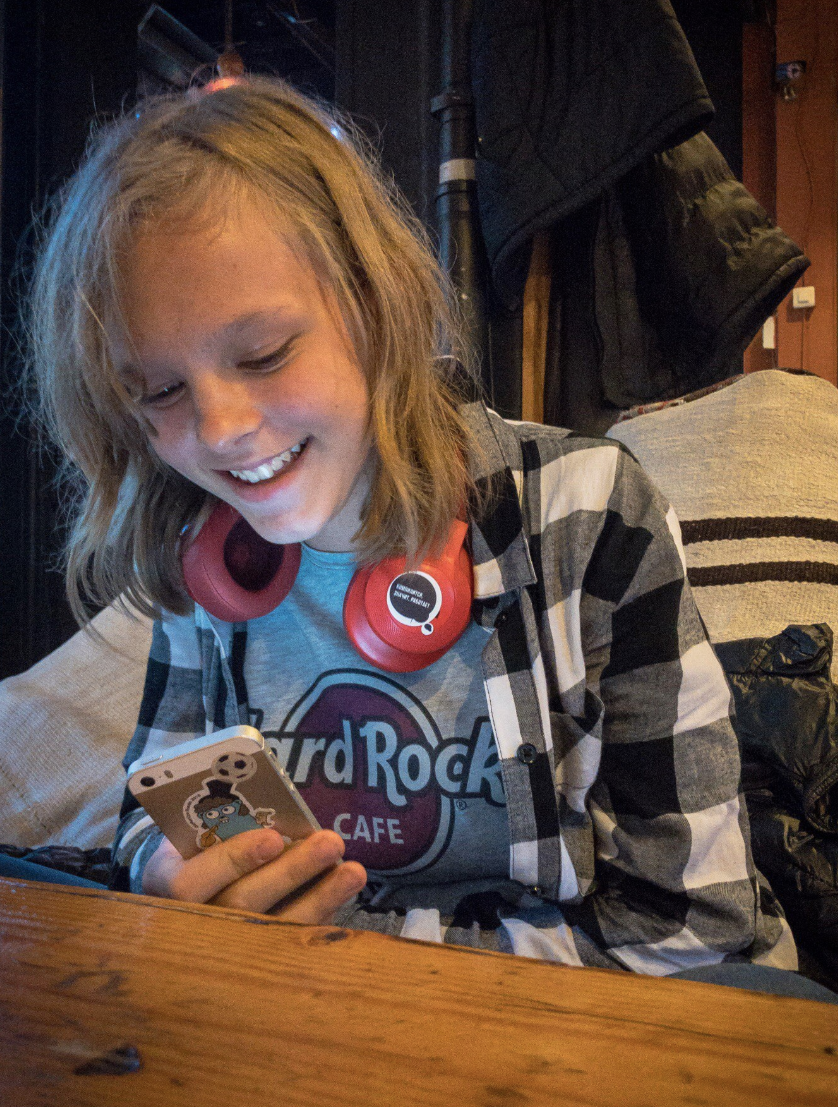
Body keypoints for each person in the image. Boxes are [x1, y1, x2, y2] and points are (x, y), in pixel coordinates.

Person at [24, 75, 809, 987]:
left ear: (375, 299)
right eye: (160, 391)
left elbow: (695, 933)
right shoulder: (200, 557)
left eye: (265, 354)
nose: (221, 428)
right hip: (309, 1003)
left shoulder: (593, 517)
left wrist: (350, 950)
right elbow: (153, 806)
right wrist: (167, 877)